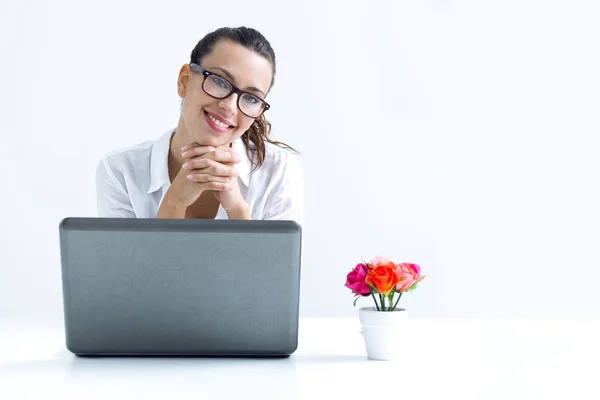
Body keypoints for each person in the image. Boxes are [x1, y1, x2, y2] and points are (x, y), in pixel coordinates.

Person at [95, 27, 303, 225]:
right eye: (220, 81)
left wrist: (238, 211)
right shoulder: (121, 171)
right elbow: (127, 263)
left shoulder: (278, 172)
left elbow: (275, 263)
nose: (230, 107)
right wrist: (174, 202)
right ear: (184, 81)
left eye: (250, 98)